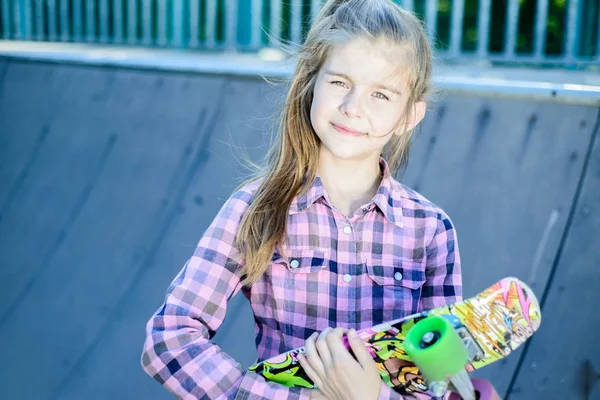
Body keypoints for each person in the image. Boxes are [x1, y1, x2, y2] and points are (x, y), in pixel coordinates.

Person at [141, 0, 462, 399]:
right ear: (312, 82)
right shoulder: (258, 209)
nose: (352, 107)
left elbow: (446, 384)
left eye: (381, 95)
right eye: (340, 82)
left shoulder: (429, 231)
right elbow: (169, 338)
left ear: (409, 117)